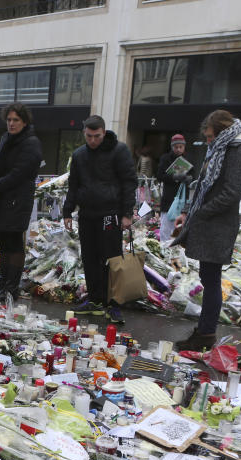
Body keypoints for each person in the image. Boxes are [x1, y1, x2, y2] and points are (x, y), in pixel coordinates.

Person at [172, 109, 241, 351]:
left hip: (218, 224)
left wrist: (202, 212)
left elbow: (231, 192)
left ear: (222, 132)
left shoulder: (235, 150)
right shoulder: (221, 148)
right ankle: (204, 331)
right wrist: (192, 210)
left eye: (210, 136)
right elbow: (203, 186)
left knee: (211, 280)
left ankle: (206, 333)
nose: (207, 140)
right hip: (211, 222)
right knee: (208, 277)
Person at [62, 115, 137, 324]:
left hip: (110, 213)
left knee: (111, 258)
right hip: (87, 213)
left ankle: (113, 304)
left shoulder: (119, 151)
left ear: (104, 132)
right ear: (84, 134)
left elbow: (129, 182)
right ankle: (95, 299)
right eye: (89, 136)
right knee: (89, 257)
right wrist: (67, 211)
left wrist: (127, 213)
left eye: (96, 136)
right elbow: (73, 185)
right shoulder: (79, 155)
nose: (93, 140)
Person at [0, 103, 43, 302]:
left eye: (16, 120)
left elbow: (19, 175)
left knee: (14, 244)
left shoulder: (31, 143)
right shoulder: (6, 138)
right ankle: (2, 282)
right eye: (9, 120)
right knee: (4, 242)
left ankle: (10, 288)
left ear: (24, 121)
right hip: (3, 198)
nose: (12, 123)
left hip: (18, 200)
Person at [156, 134, 196, 242]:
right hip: (169, 198)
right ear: (172, 147)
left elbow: (194, 176)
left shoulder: (189, 158)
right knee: (166, 229)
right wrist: (174, 177)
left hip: (183, 200)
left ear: (184, 147)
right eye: (176, 147)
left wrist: (189, 179)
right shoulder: (165, 158)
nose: (178, 149)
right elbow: (159, 176)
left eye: (181, 147)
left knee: (179, 230)